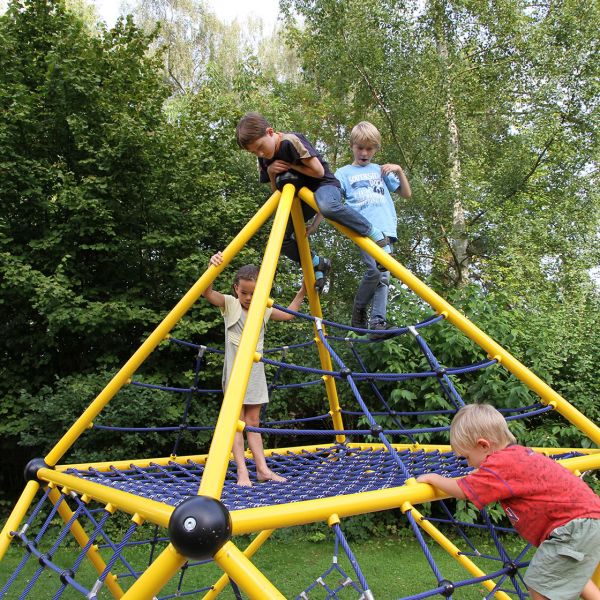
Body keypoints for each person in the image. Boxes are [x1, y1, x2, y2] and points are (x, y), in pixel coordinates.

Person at [417, 403, 600, 600]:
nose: (469, 464)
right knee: (573, 577)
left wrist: (434, 478)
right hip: (588, 521)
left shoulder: (500, 464)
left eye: (467, 457)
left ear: (484, 445)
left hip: (572, 527)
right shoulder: (517, 455)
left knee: (540, 585)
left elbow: (463, 491)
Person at [235, 112, 393, 293]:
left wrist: (292, 165)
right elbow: (276, 191)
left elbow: (318, 171)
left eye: (260, 147)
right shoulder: (264, 158)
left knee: (327, 207)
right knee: (282, 238)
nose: (260, 153)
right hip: (301, 199)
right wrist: (271, 172)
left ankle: (375, 233)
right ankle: (317, 263)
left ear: (270, 132)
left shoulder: (290, 141)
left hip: (323, 186)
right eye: (254, 152)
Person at [203, 252, 306, 486]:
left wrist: (302, 292)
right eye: (244, 292)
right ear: (235, 289)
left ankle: (262, 469)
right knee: (236, 421)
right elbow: (207, 292)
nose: (249, 297)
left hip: (256, 371)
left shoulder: (263, 309)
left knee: (254, 421)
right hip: (235, 371)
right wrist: (213, 266)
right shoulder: (229, 304)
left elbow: (289, 314)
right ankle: (242, 472)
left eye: (253, 293)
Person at [335, 121, 411, 340]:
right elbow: (331, 200)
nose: (365, 153)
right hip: (364, 230)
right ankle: (359, 309)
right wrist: (314, 225)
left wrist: (399, 170)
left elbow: (405, 194)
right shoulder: (344, 173)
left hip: (386, 229)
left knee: (383, 277)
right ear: (352, 146)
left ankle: (377, 323)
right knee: (376, 271)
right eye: (360, 147)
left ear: (376, 149)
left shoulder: (380, 170)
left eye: (370, 148)